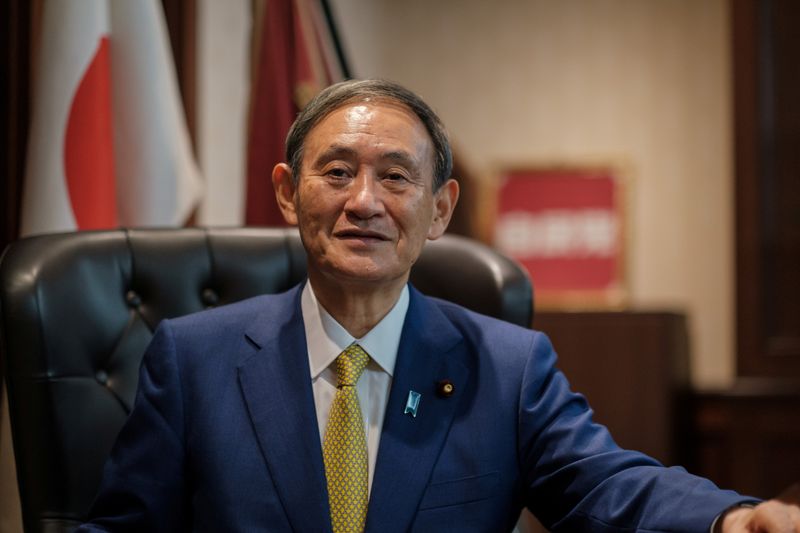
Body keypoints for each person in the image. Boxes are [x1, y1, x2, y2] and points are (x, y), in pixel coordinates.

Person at [78, 79, 800, 532]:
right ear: (287, 192)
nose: (365, 201)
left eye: (396, 177)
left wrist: (731, 518)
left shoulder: (509, 367)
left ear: (440, 209)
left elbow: (608, 487)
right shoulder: (194, 357)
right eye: (337, 172)